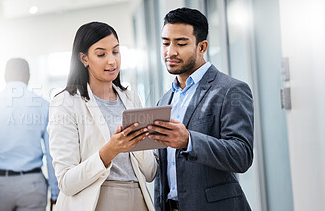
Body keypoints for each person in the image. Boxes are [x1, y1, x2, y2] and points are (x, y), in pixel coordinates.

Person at [148, 8, 254, 211]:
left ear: (202, 46)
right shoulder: (164, 101)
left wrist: (189, 141)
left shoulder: (230, 90)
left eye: (181, 43)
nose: (170, 51)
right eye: (165, 43)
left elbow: (242, 155)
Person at [47, 21, 158, 211]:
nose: (112, 61)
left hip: (138, 198)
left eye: (115, 51)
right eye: (101, 54)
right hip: (95, 201)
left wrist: (141, 140)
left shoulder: (131, 99)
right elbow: (67, 182)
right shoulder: (65, 102)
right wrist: (109, 151)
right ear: (84, 59)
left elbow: (150, 172)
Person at [0, 58, 59, 211]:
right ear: (28, 77)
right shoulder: (43, 105)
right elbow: (52, 154)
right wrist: (55, 193)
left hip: (0, 185)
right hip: (32, 184)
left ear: (5, 76)